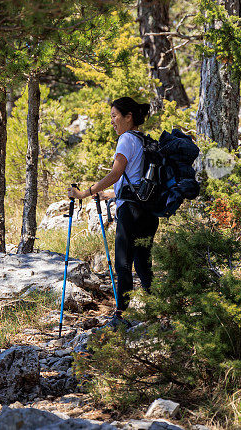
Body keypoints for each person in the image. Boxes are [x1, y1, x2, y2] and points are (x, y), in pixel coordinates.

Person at [68, 97, 159, 327]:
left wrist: (84, 193)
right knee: (142, 262)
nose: (112, 122)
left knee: (122, 263)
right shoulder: (142, 140)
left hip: (130, 212)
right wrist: (109, 195)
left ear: (129, 117)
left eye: (115, 116)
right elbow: (134, 181)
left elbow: (115, 174)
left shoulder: (126, 139)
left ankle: (121, 315)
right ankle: (157, 310)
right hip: (147, 210)